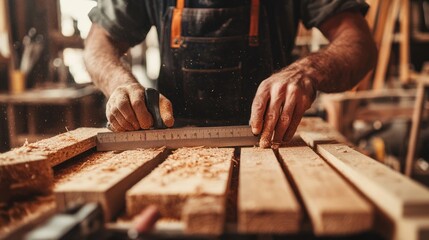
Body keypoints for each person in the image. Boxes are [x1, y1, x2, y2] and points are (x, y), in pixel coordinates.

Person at [84, 0, 377, 148]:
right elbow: (99, 43)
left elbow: (359, 44)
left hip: (271, 141)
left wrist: (307, 71)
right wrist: (118, 82)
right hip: (170, 146)